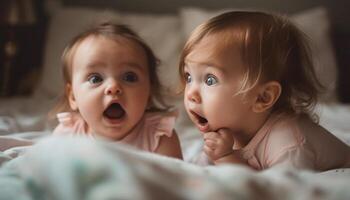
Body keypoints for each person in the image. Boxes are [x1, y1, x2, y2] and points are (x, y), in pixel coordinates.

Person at [179, 11, 350, 170]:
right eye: (188, 77)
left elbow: (278, 191)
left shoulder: (288, 144)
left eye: (210, 80)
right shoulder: (225, 133)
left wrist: (225, 158)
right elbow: (198, 173)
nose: (191, 93)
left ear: (262, 97)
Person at [52, 22, 182, 159]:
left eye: (129, 77)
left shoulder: (159, 138)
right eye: (95, 79)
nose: (113, 87)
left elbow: (174, 179)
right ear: (73, 97)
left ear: (149, 94)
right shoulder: (68, 135)